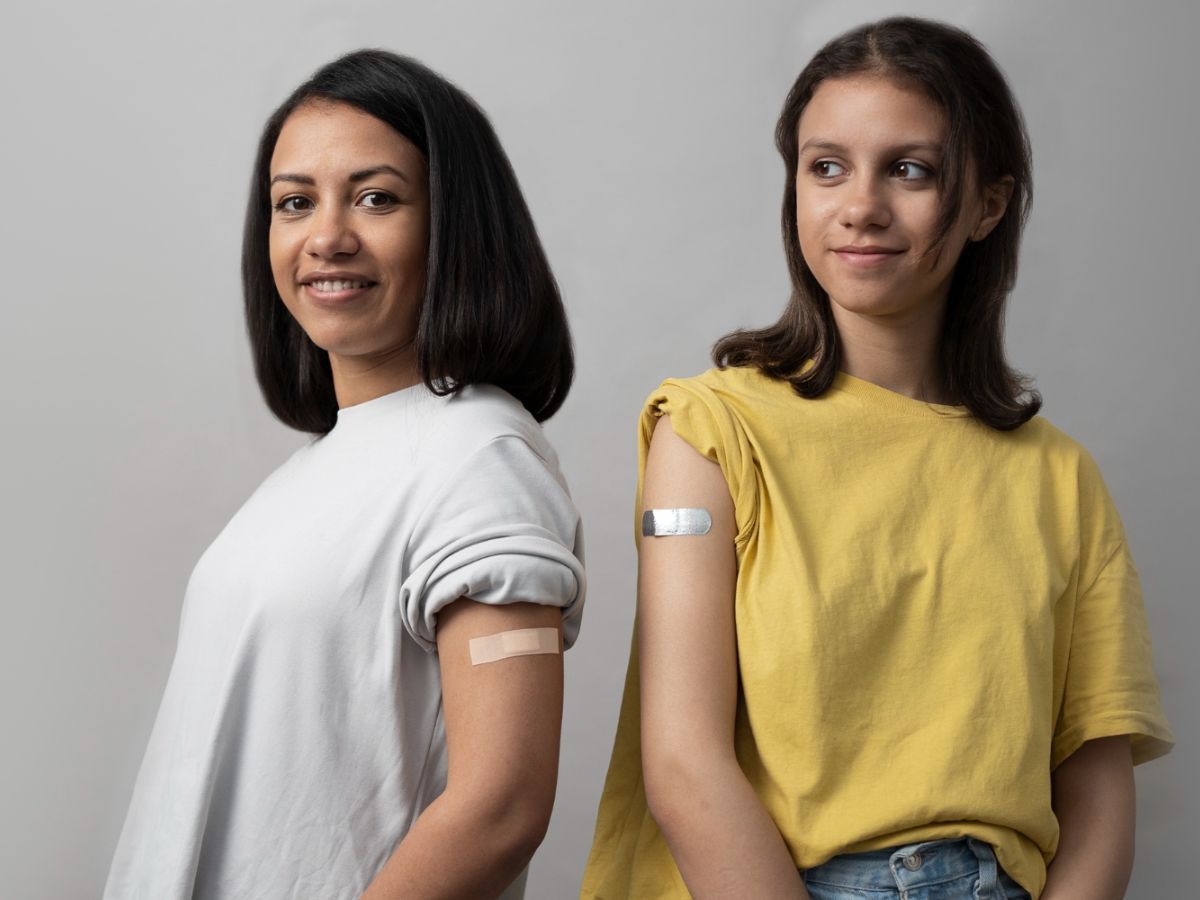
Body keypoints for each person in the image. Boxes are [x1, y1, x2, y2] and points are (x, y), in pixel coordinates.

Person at [582, 17, 1171, 900]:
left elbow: (1097, 799)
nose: (859, 205)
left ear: (987, 204)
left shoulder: (1061, 479)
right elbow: (683, 764)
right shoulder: (708, 433)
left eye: (910, 169)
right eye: (826, 167)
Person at [104, 49, 584, 900]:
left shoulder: (480, 458)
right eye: (295, 202)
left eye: (377, 197)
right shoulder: (311, 472)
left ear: (454, 225)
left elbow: (502, 804)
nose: (327, 236)